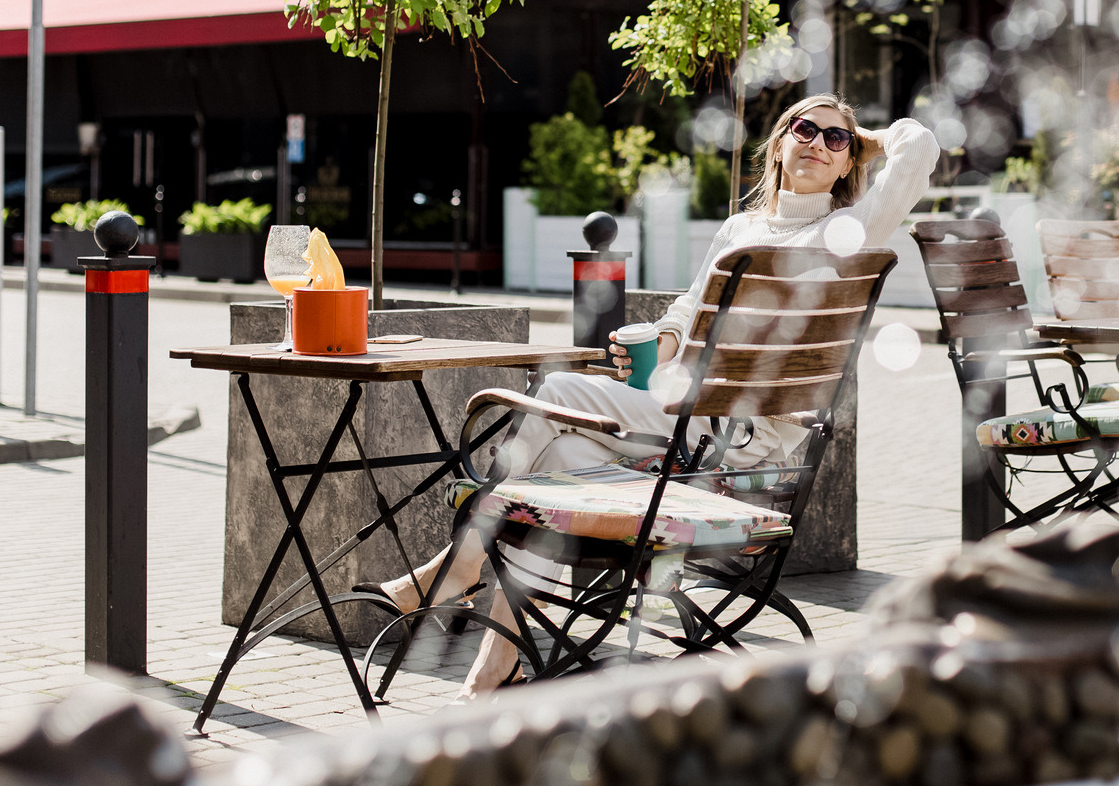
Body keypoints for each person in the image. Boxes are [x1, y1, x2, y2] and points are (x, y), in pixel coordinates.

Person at [373, 94, 939, 699]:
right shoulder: (740, 228)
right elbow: (686, 313)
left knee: (558, 388)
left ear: (851, 163)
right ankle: (496, 665)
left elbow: (921, 145)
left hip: (738, 446)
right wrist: (662, 343)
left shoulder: (848, 230)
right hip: (685, 423)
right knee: (559, 461)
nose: (818, 144)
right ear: (778, 142)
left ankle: (459, 565)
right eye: (805, 129)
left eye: (836, 141)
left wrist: (869, 139)